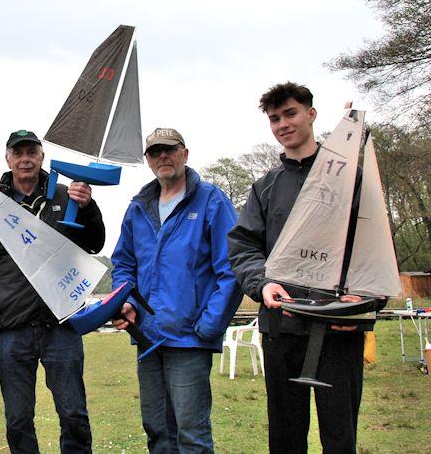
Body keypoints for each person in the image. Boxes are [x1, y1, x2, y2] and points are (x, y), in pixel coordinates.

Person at [227, 82, 379, 453]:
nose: (282, 124)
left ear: (311, 114)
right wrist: (262, 284)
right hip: (283, 325)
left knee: (340, 436)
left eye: (290, 113)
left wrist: (364, 301)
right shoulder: (264, 187)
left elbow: (375, 247)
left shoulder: (350, 177)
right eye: (275, 118)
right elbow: (243, 245)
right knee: (285, 436)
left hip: (339, 325)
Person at [0, 130, 105, 454]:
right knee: (17, 420)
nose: (25, 158)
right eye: (18, 152)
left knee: (73, 414)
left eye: (32, 151)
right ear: (8, 159)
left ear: (42, 156)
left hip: (62, 324)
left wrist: (87, 208)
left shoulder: (66, 196)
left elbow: (95, 243)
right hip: (13, 329)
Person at [111, 127, 242, 453]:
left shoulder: (212, 201)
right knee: (157, 432)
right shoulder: (138, 207)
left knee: (192, 435)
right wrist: (126, 303)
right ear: (148, 160)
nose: (163, 156)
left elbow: (232, 269)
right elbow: (124, 264)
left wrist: (208, 326)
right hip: (148, 339)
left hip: (190, 340)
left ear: (185, 153)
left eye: (170, 149)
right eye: (156, 152)